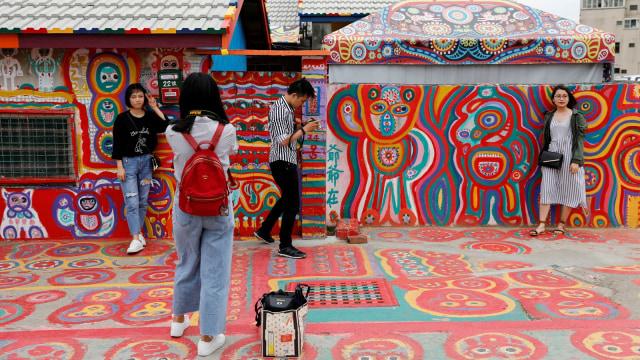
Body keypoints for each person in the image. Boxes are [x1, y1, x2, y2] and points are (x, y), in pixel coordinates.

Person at [165, 72, 238, 357]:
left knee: (186, 261)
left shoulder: (173, 130)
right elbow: (231, 153)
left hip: (185, 204)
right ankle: (207, 337)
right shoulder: (227, 130)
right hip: (219, 206)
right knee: (215, 271)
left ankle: (178, 320)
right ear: (213, 96)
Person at [253, 78, 319, 259]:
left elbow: (287, 133)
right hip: (283, 161)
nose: (302, 105)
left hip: (284, 161)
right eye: (303, 101)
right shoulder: (281, 110)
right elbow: (282, 140)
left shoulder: (285, 109)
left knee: (286, 199)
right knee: (293, 203)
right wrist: (304, 131)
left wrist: (301, 127)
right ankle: (285, 245)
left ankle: (265, 230)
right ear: (295, 95)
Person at [112, 83, 168, 254]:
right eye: (134, 96)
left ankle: (139, 235)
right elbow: (117, 145)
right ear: (128, 99)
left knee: (142, 202)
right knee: (132, 202)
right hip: (128, 164)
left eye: (140, 96)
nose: (137, 99)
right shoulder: (122, 119)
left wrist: (154, 107)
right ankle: (135, 239)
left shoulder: (150, 117)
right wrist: (119, 167)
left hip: (146, 163)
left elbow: (166, 125)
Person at [530, 85, 588, 236]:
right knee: (546, 188)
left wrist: (576, 160)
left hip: (570, 155)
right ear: (553, 99)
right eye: (558, 96)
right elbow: (546, 139)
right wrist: (543, 161)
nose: (561, 99)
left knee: (569, 189)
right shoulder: (550, 116)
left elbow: (580, 140)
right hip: (551, 156)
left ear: (569, 99)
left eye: (564, 96)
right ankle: (541, 224)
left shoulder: (576, 116)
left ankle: (562, 224)